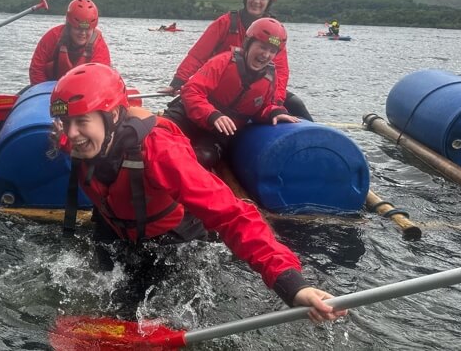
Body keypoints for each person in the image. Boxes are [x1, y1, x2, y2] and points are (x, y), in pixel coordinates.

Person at [50, 63, 346, 323]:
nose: (71, 134)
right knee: (106, 293)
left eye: (81, 121)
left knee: (141, 308)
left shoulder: (160, 152)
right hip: (115, 226)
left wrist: (292, 285)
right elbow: (69, 138)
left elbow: (233, 215)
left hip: (169, 238)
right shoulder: (79, 138)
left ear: (113, 115)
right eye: (66, 123)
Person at [161, 0, 313, 121]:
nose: (256, 1)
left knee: (296, 104)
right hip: (221, 86)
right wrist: (178, 82)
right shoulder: (226, 22)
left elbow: (280, 71)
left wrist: (277, 103)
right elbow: (198, 54)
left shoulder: (275, 33)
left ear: (269, 2)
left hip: (256, 89)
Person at [163, 17, 298, 169]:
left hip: (218, 133)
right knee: (160, 134)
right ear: (248, 43)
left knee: (204, 157)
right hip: (188, 116)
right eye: (262, 47)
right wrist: (212, 114)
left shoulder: (270, 79)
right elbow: (191, 91)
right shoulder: (223, 62)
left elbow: (263, 107)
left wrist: (274, 112)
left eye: (272, 51)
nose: (266, 55)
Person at [29, 0, 111, 85]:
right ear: (69, 25)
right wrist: (48, 93)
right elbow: (37, 69)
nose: (82, 33)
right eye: (77, 28)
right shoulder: (53, 36)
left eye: (87, 29)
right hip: (49, 89)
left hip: (83, 90)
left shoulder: (99, 45)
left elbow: (100, 78)